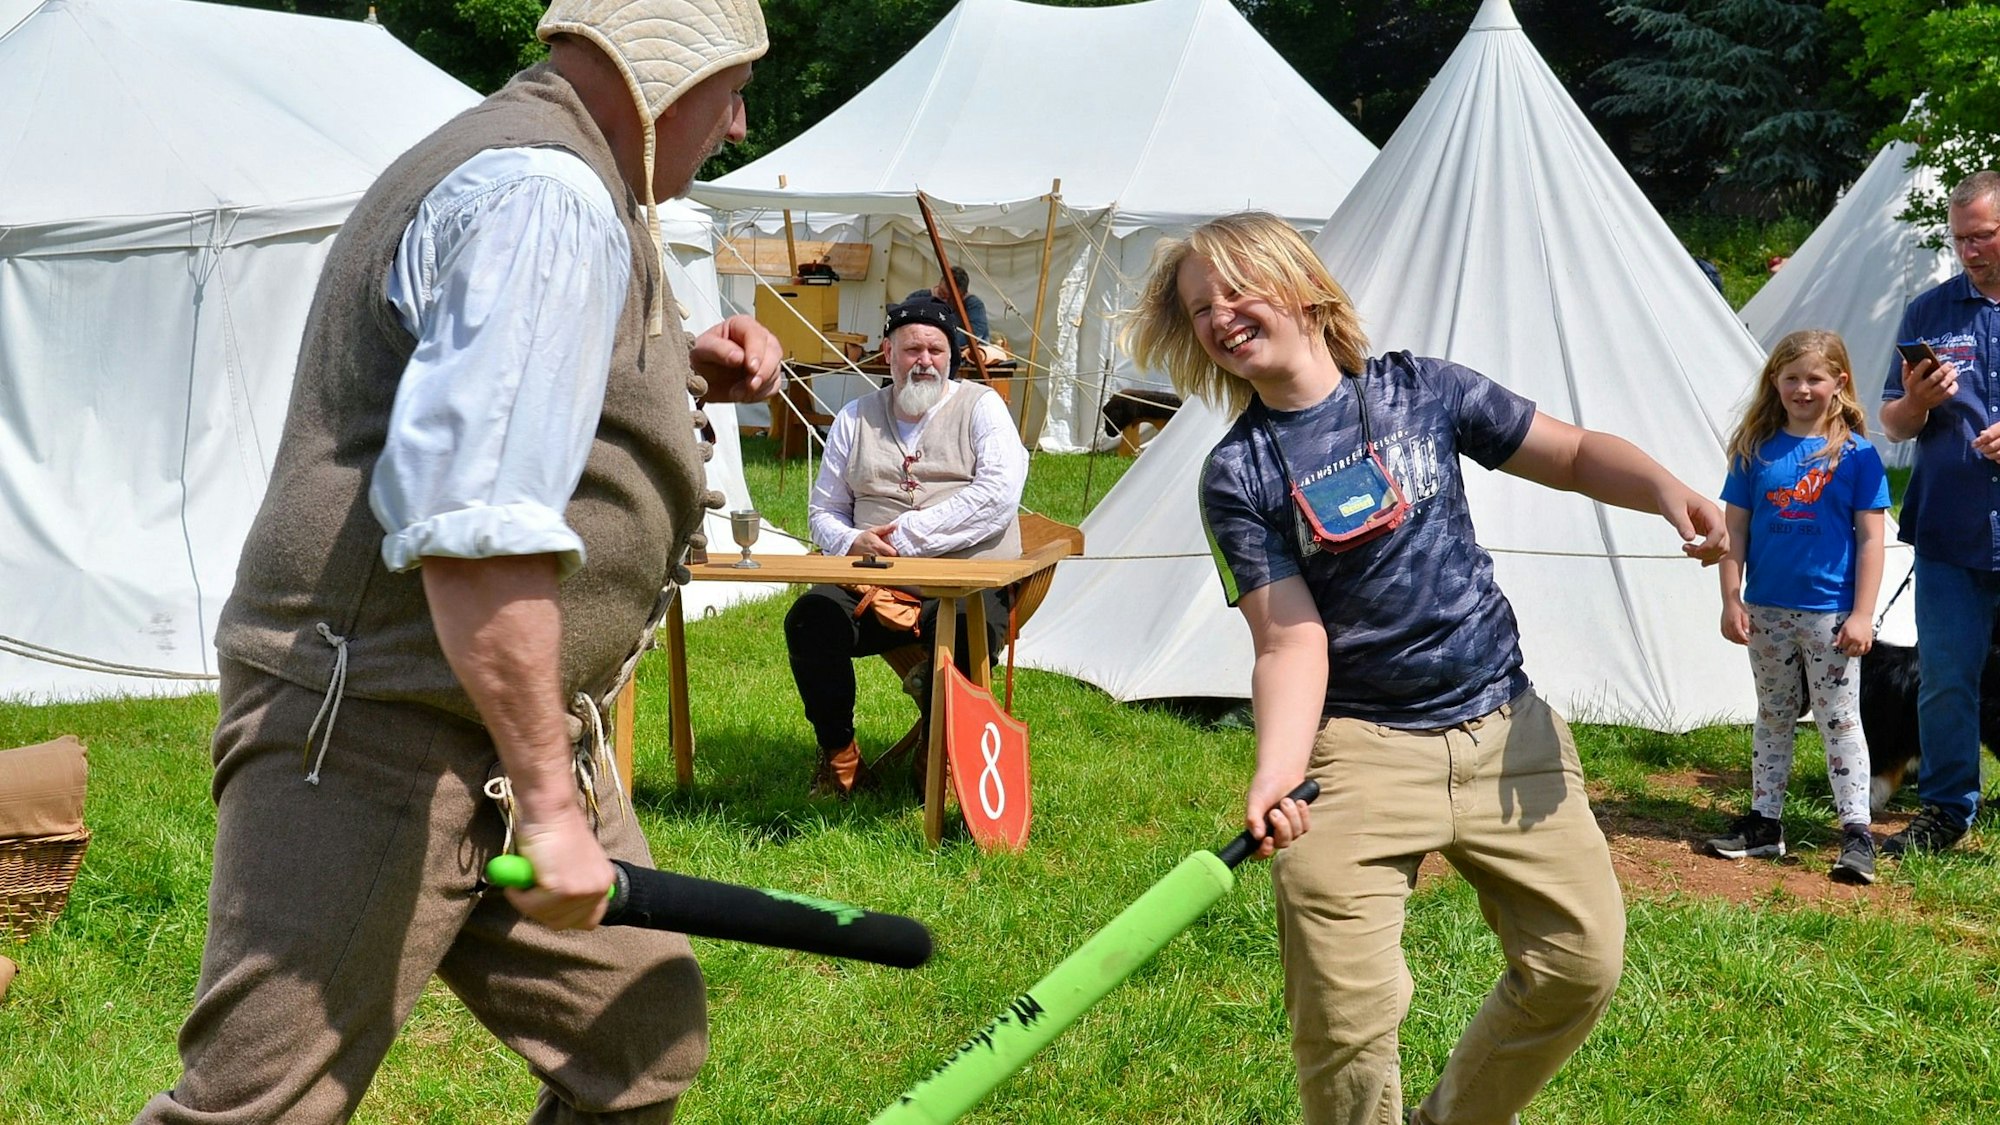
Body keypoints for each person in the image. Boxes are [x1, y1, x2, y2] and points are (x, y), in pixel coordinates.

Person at [134, 3, 784, 1122]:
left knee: (636, 1038)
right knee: (260, 1106)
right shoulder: (545, 198)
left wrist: (673, 363)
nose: (735, 127)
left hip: (493, 723)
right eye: (731, 93)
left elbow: (507, 373)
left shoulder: (570, 178)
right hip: (371, 727)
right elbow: (477, 534)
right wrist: (550, 808)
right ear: (666, 82)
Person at [1125, 212, 1729, 1125]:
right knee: (1345, 1018)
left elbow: (1569, 453)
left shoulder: (1423, 389)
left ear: (1304, 288)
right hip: (1357, 753)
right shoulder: (1237, 474)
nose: (1220, 317)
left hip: (1507, 730)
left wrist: (1665, 490)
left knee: (1580, 963)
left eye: (1238, 290)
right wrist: (1277, 770)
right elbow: (1290, 639)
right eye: (1201, 308)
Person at [783, 296, 1028, 796]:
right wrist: (852, 538)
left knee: (963, 630)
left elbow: (999, 495)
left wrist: (906, 537)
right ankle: (840, 757)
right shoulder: (855, 417)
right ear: (888, 353)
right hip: (872, 584)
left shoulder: (982, 407)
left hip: (962, 582)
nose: (925, 361)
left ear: (951, 356)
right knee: (811, 620)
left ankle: (936, 752)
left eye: (936, 350)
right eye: (912, 349)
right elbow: (823, 511)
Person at [1707, 329, 1888, 884]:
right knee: (1774, 714)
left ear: (1839, 382)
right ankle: (1764, 822)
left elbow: (1871, 539)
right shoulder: (1754, 450)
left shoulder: (1857, 456)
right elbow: (1734, 532)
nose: (1802, 389)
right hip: (1766, 611)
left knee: (1840, 719)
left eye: (1814, 378)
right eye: (1791, 378)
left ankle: (1856, 832)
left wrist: (1862, 614)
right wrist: (1731, 598)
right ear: (1775, 382)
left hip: (1831, 615)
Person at [1877, 168, 2000, 856]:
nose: (1969, 251)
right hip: (1951, 528)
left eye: (1982, 236)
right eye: (1960, 239)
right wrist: (1917, 403)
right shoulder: (1929, 312)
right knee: (1947, 676)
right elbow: (1892, 423)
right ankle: (1947, 811)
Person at [907, 265, 990, 352]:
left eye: (951, 298)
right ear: (939, 284)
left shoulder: (974, 305)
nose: (945, 301)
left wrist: (940, 343)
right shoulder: (919, 297)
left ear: (963, 295)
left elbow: (973, 334)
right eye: (942, 294)